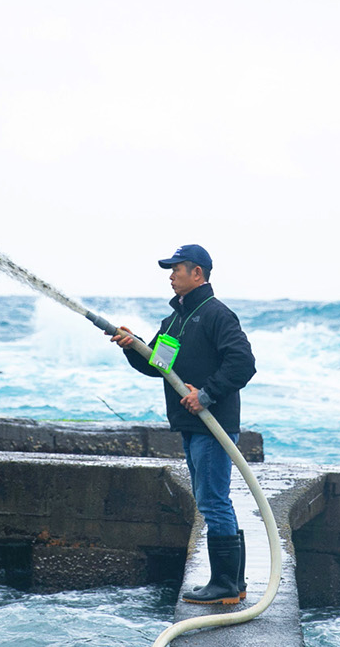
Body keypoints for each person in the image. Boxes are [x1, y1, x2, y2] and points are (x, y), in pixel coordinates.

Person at [108, 244, 256, 604]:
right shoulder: (175, 320)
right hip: (189, 426)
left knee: (212, 501)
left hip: (212, 423)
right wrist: (133, 346)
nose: (171, 275)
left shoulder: (217, 315)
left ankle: (224, 585)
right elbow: (158, 364)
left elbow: (243, 363)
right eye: (170, 269)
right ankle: (233, 583)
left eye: (177, 269)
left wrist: (205, 395)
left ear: (198, 274)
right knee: (214, 499)